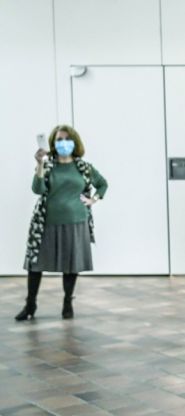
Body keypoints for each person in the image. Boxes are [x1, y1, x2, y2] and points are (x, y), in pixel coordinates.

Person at [16, 126, 108, 321]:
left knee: (71, 265)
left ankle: (68, 303)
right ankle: (30, 304)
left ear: (74, 142)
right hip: (47, 223)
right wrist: (40, 163)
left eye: (67, 139)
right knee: (35, 264)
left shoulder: (83, 167)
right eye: (59, 139)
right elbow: (38, 189)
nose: (63, 143)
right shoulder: (48, 166)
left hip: (76, 222)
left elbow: (102, 184)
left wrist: (94, 199)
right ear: (53, 143)